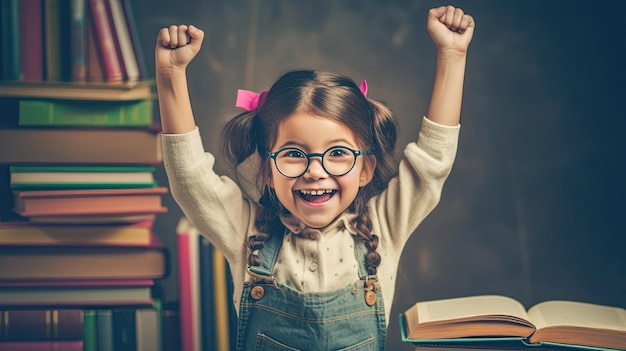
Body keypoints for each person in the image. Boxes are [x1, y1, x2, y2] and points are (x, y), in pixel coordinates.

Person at [156, 5, 474, 350]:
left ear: (365, 168)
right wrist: (171, 74)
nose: (315, 171)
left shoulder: (385, 226)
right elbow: (190, 178)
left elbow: (431, 163)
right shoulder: (244, 231)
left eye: (338, 153)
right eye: (294, 154)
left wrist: (452, 55)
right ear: (267, 169)